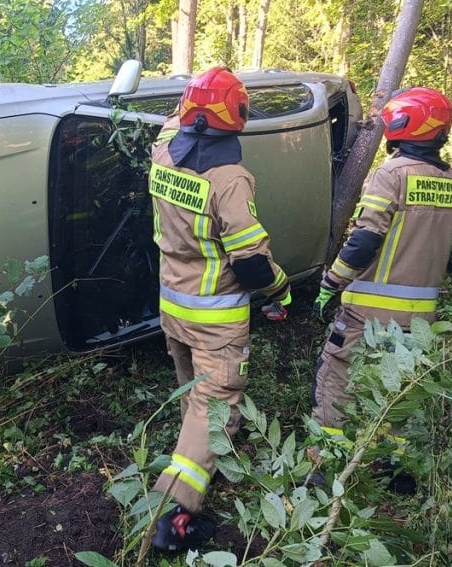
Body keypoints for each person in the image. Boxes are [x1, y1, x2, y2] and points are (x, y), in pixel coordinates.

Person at [148, 66, 292, 552]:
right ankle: (173, 518)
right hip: (216, 320)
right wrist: (280, 289)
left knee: (194, 393)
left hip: (174, 305)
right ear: (239, 116)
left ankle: (204, 453)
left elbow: (174, 122)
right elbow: (251, 263)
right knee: (214, 408)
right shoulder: (230, 180)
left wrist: (194, 97)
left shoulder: (163, 151)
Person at [312, 86, 452, 440]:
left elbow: (365, 241)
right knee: (396, 395)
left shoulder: (392, 174)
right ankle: (392, 463)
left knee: (336, 384)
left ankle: (327, 459)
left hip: (366, 314)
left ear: (401, 124)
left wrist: (331, 284)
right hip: (420, 320)